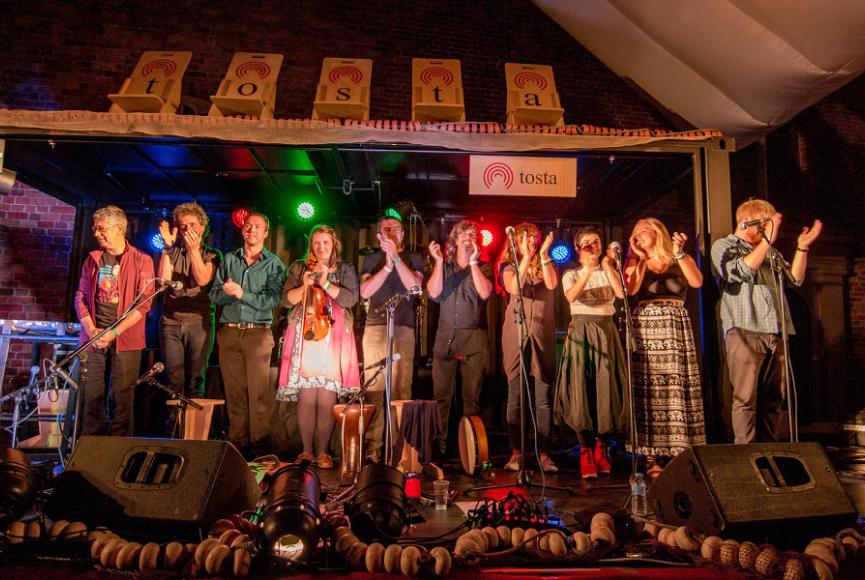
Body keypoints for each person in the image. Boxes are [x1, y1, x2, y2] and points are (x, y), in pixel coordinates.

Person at [711, 199, 822, 444]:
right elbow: (741, 270)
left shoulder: (768, 250)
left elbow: (794, 279)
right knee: (745, 398)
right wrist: (767, 242)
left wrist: (802, 248)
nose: (768, 231)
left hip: (776, 331)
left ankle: (768, 450)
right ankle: (746, 453)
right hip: (745, 329)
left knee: (774, 398)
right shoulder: (725, 246)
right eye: (764, 225)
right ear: (746, 222)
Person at [624, 217, 705, 473]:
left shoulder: (679, 258)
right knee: (651, 389)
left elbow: (697, 282)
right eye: (635, 234)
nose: (637, 236)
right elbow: (631, 289)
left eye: (642, 231)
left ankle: (679, 452)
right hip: (647, 326)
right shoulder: (634, 263)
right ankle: (652, 457)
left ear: (657, 233)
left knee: (676, 387)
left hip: (675, 325)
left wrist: (679, 252)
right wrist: (639, 258)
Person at [276, 224, 361, 468]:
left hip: (333, 337)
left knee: (326, 396)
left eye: (326, 242)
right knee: (307, 396)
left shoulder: (344, 268)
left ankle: (323, 452)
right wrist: (304, 285)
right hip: (305, 336)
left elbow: (350, 299)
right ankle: (306, 451)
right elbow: (285, 300)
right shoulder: (299, 267)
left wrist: (325, 282)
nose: (321, 247)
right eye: (316, 242)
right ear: (310, 245)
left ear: (334, 244)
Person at [554, 227, 629, 479]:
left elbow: (620, 294)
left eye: (595, 242)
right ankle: (585, 449)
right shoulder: (571, 274)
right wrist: (587, 269)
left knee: (606, 389)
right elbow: (571, 296)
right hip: (582, 331)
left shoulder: (609, 270)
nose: (592, 246)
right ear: (577, 248)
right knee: (581, 389)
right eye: (586, 243)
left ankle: (601, 446)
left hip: (606, 330)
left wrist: (607, 265)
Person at [74, 205, 155, 436]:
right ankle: (90, 449)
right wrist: (91, 329)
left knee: (122, 400)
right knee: (91, 399)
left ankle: (118, 451)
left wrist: (114, 332)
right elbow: (80, 296)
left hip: (125, 340)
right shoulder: (93, 259)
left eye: (101, 229)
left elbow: (144, 303)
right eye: (94, 229)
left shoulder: (141, 260)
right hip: (94, 337)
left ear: (119, 228)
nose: (96, 233)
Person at [210, 211, 285, 458]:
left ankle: (260, 448)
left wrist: (243, 294)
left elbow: (272, 301)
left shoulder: (273, 264)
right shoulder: (230, 259)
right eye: (248, 226)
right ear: (242, 230)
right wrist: (227, 292)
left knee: (259, 395)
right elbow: (214, 295)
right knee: (234, 394)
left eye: (257, 227)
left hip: (258, 334)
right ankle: (237, 446)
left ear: (266, 233)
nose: (251, 230)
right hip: (229, 332)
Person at [359, 215, 425, 462]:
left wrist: (395, 258)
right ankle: (373, 448)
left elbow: (415, 288)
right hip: (376, 327)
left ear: (403, 234)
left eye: (397, 229)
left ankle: (400, 447)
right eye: (387, 229)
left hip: (404, 328)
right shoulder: (372, 259)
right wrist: (386, 265)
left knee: (401, 388)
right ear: (379, 236)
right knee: (375, 388)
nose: (392, 232)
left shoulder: (413, 257)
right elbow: (365, 291)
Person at [427, 220, 494, 456]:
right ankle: (439, 449)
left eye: (473, 234)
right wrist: (438, 262)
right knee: (441, 398)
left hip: (473, 342)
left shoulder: (483, 267)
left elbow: (485, 292)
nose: (469, 237)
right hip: (445, 341)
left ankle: (471, 451)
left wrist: (473, 262)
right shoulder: (445, 267)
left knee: (471, 400)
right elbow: (433, 293)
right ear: (454, 239)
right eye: (464, 233)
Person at [498, 223, 559, 473]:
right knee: (516, 397)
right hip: (516, 333)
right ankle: (517, 453)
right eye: (527, 238)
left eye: (534, 237)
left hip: (542, 333)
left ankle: (544, 453)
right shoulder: (508, 267)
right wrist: (523, 256)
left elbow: (552, 284)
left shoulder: (546, 264)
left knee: (542, 398)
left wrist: (542, 256)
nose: (532, 241)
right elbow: (515, 287)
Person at [157, 202, 221, 406]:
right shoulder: (173, 251)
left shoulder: (212, 254)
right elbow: (163, 281)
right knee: (173, 380)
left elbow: (202, 279)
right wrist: (167, 248)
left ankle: (194, 425)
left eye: (192, 225)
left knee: (196, 380)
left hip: (199, 323)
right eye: (183, 225)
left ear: (202, 227)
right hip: (171, 323)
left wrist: (194, 250)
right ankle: (174, 423)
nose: (187, 230)